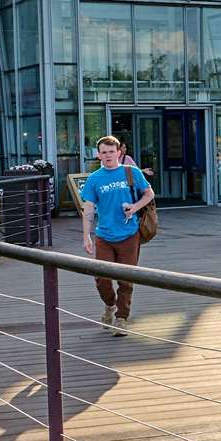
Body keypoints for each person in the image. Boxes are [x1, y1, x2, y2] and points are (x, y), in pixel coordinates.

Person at [80, 135, 153, 336]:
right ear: (98, 155)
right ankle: (110, 304)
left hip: (129, 234)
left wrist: (135, 207)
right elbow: (88, 209)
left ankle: (121, 318)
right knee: (102, 277)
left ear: (119, 153)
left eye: (112, 152)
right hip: (104, 235)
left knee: (126, 279)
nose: (108, 155)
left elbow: (149, 194)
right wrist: (86, 236)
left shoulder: (131, 172)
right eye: (104, 152)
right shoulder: (94, 179)